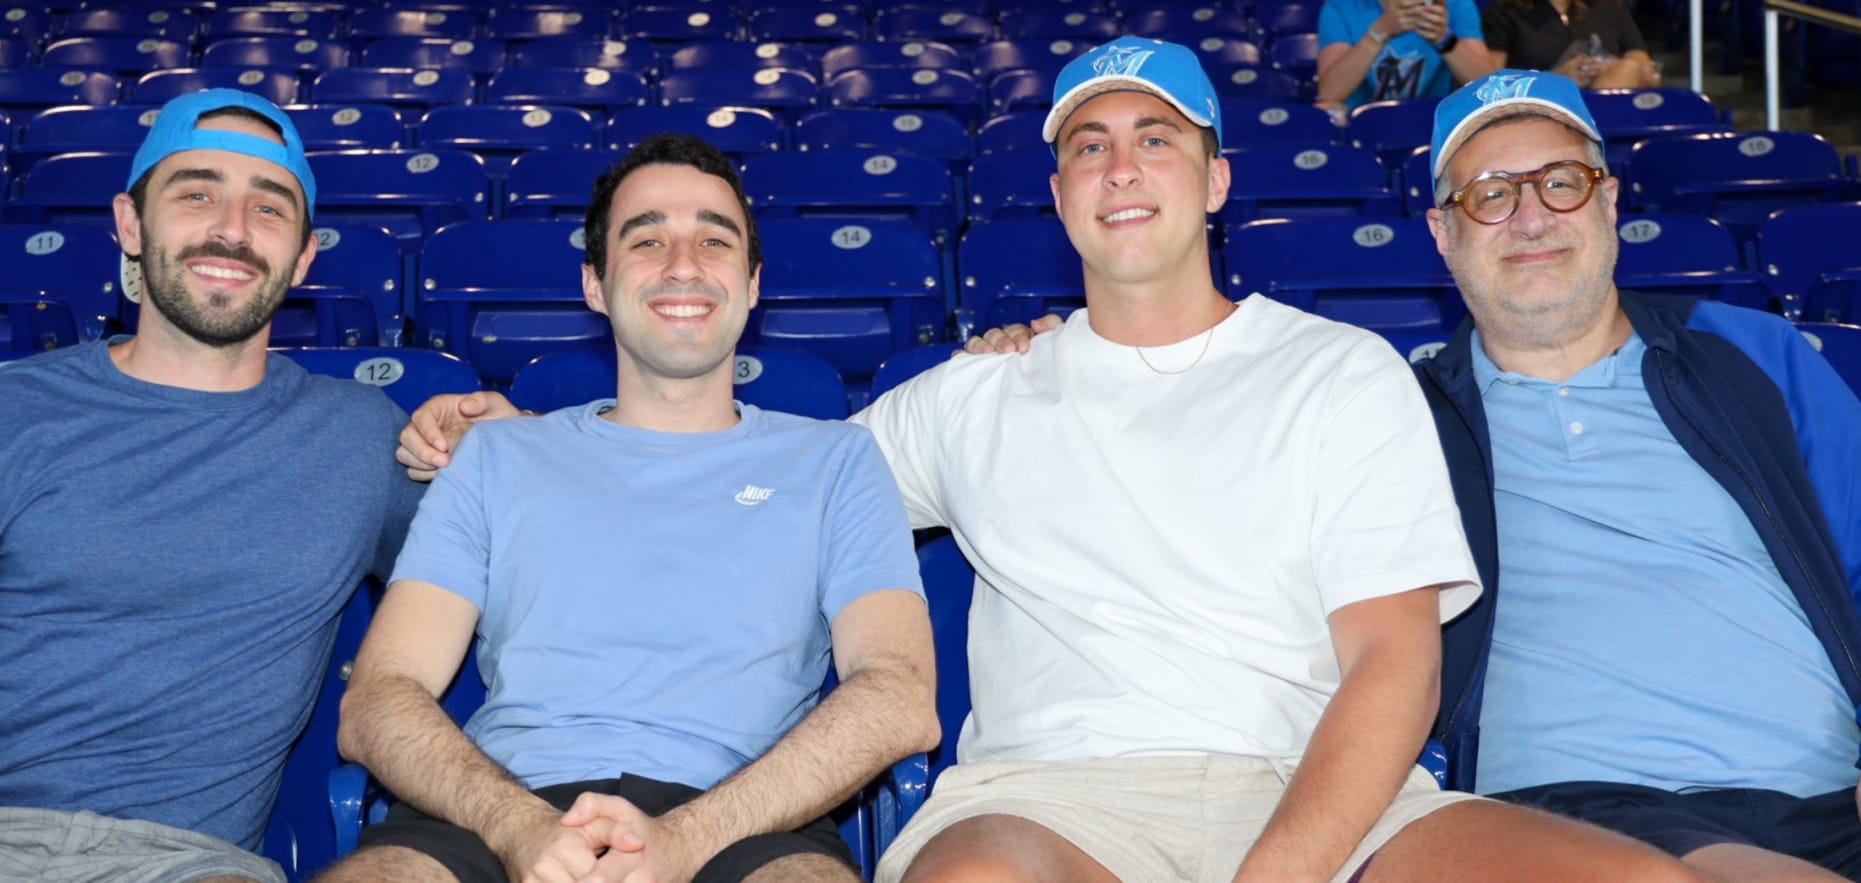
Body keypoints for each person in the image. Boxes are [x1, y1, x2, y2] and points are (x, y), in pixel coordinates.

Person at [399, 38, 1698, 883]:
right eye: (1088, 147)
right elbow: (738, 468)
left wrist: (1279, 869)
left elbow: (1394, 659)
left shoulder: (1342, 371)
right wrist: (529, 431)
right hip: (1054, 805)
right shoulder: (975, 395)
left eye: (1155, 139)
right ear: (1062, 195)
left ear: (1216, 180)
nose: (1120, 167)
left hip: (1323, 793)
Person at [0, 89, 423, 883]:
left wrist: (506, 436)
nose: (232, 228)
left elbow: (526, 562)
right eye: (196, 194)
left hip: (183, 864)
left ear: (301, 258)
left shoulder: (362, 436)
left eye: (269, 207)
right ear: (130, 223)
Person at [1416, 69, 1861, 881]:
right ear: (1444, 233)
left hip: (1853, 794)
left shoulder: (1753, 353)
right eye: (1490, 194)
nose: (1532, 217)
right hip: (1583, 811)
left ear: (1608, 201)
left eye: (1561, 181)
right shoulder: (1403, 419)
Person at [317, 134, 938, 883]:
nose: (683, 264)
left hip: (749, 819)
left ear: (753, 284)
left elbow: (898, 694)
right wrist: (517, 827)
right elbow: (378, 698)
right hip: (499, 813)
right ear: (595, 283)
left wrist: (687, 838)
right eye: (647, 240)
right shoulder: (496, 455)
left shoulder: (836, 461)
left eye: (715, 240)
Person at [1315, 0, 1497, 120]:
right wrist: (1379, 33)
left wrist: (1443, 38)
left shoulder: (1456, 5)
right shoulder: (1341, 7)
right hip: (1363, 123)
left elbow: (1489, 85)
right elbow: (1329, 93)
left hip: (1431, 121)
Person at [1481, 0, 1661, 88]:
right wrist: (1555, 78)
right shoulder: (1503, 13)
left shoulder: (1609, 8)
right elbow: (1492, 84)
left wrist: (1608, 71)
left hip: (1610, 102)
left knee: (1626, 69)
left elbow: (1641, 64)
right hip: (1543, 109)